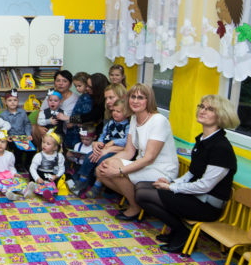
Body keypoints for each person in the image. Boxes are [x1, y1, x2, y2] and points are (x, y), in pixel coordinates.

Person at [136, 95, 239, 253]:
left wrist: (171, 188)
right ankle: (178, 230)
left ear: (221, 116)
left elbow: (205, 186)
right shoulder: (203, 140)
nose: (203, 111)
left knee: (143, 194)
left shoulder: (221, 148)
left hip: (206, 206)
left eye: (210, 109)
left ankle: (183, 232)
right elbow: (191, 174)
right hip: (195, 197)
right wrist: (171, 183)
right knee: (141, 186)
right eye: (202, 106)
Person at [96, 83, 178, 221]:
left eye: (140, 97)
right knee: (101, 170)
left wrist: (119, 170)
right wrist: (107, 162)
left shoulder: (159, 120)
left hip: (161, 169)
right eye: (132, 97)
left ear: (149, 100)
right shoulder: (134, 118)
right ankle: (140, 202)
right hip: (144, 164)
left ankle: (135, 207)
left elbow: (149, 158)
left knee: (114, 168)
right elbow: (129, 151)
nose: (135, 101)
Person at [69, 99, 130, 198]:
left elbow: (126, 140)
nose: (115, 113)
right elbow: (103, 134)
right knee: (89, 156)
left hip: (116, 150)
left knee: (102, 161)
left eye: (118, 111)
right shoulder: (110, 123)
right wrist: (100, 142)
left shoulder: (127, 126)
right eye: (113, 111)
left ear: (127, 113)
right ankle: (82, 180)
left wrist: (114, 142)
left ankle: (97, 186)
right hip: (104, 147)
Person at [61, 73, 110, 148]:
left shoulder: (104, 100)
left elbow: (90, 116)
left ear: (97, 88)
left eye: (90, 87)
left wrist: (70, 119)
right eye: (87, 85)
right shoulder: (94, 96)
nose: (87, 88)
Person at [33, 69, 78, 147]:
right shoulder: (51, 96)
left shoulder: (76, 99)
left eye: (64, 81)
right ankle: (42, 151)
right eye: (58, 81)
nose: (61, 83)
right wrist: (39, 127)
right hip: (48, 127)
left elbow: (80, 118)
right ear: (54, 83)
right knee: (33, 128)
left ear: (70, 84)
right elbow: (40, 112)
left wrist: (68, 119)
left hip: (64, 130)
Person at [0, 129, 29, 201]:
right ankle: (9, 194)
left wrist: (14, 173)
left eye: (3, 142)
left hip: (8, 175)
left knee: (17, 181)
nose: (0, 144)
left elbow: (11, 167)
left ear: (6, 143)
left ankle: (24, 191)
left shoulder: (10, 155)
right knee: (2, 185)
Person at [26, 130, 65, 203]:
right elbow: (32, 168)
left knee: (53, 185)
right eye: (43, 142)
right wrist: (37, 178)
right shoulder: (39, 156)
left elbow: (62, 168)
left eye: (48, 144)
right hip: (40, 176)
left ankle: (48, 194)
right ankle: (34, 190)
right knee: (36, 183)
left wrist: (56, 176)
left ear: (55, 147)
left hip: (52, 177)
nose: (44, 145)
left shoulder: (59, 156)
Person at [0, 89, 32, 171]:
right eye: (10, 100)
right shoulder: (3, 115)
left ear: (18, 101)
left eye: (15, 100)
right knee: (17, 148)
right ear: (5, 102)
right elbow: (1, 129)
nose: (12, 102)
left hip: (23, 136)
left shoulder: (22, 112)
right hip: (11, 138)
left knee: (32, 147)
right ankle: (18, 164)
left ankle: (28, 164)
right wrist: (6, 136)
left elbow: (27, 124)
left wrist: (28, 134)